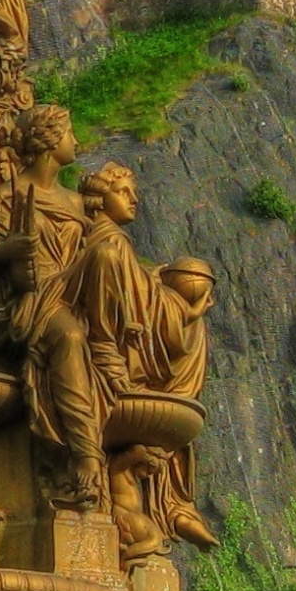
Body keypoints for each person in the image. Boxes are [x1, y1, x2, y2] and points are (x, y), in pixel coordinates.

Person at [72, 162, 217, 551]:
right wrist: (188, 310)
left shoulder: (106, 239)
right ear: (101, 199)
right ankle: (173, 506)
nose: (133, 199)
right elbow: (128, 302)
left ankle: (175, 506)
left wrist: (156, 278)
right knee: (190, 336)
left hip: (117, 343)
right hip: (112, 351)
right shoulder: (109, 242)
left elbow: (135, 290)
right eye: (123, 192)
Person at [0, 102, 106, 508]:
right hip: (36, 299)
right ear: (50, 142)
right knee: (68, 335)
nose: (76, 141)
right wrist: (5, 250)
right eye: (69, 133)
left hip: (77, 293)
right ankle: (85, 453)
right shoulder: (6, 198)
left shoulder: (78, 203)